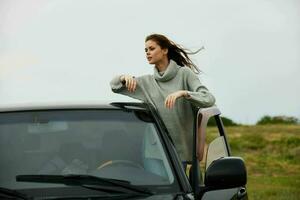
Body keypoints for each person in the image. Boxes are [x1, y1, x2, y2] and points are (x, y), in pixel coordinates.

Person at [110, 34, 215, 162]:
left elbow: (209, 99)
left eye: (152, 48)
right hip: (155, 153)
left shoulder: (184, 74)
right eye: (146, 50)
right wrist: (123, 77)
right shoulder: (147, 83)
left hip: (181, 152)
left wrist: (184, 93)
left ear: (165, 50)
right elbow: (115, 86)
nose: (147, 52)